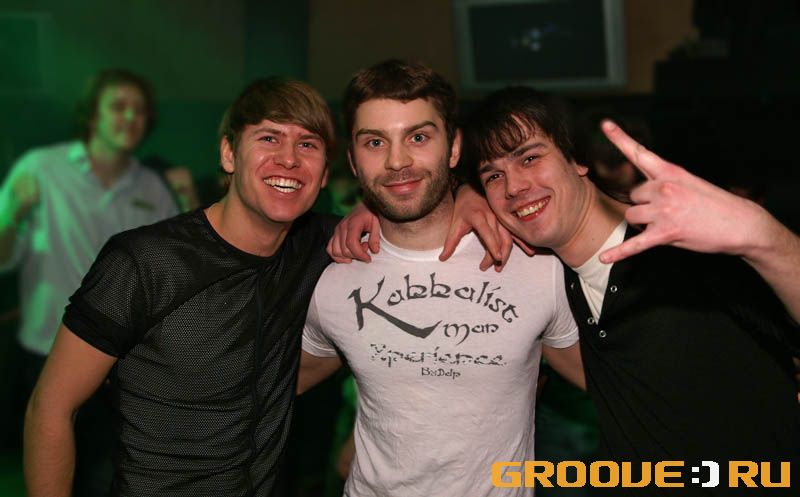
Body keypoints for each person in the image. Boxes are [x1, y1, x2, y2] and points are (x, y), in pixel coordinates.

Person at [463, 87, 800, 494]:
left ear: (578, 159)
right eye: (493, 176)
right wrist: (462, 196)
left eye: (530, 158)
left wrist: (765, 237)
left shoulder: (683, 245)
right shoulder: (551, 280)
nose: (513, 186)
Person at [24, 77, 339, 497]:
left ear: (324, 174)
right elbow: (50, 409)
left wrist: (383, 213)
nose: (289, 159)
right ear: (229, 154)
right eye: (269, 137)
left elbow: (404, 227)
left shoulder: (322, 247)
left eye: (308, 144)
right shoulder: (144, 262)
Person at [297, 60, 583, 497]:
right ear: (353, 161)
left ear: (453, 148)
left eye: (418, 137)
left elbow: (615, 386)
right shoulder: (332, 280)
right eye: (375, 142)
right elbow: (267, 388)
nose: (397, 161)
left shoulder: (533, 265)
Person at [0, 68, 178, 496]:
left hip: (120, 362)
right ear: (92, 115)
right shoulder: (41, 168)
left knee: (110, 478)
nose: (130, 117)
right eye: (118, 106)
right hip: (45, 352)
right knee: (49, 478)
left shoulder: (152, 187)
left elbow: (172, 274)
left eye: (139, 110)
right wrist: (12, 214)